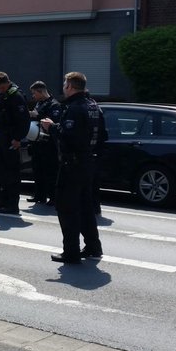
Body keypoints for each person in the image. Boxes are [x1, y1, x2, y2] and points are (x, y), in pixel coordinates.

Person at [41, 72, 106, 264]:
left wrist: (51, 127)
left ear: (70, 86)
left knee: (67, 208)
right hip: (88, 163)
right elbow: (103, 136)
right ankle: (93, 246)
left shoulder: (75, 108)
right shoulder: (94, 106)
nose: (63, 87)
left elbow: (69, 136)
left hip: (73, 164)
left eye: (64, 84)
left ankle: (71, 251)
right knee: (85, 207)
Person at [0, 71, 28, 215]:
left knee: (12, 174)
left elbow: (23, 120)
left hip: (11, 139)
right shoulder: (3, 95)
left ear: (6, 83)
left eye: (1, 88)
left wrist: (18, 138)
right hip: (1, 138)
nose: (0, 91)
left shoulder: (16, 96)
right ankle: (3, 200)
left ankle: (13, 204)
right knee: (2, 172)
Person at [28, 81, 60, 206]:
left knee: (50, 171)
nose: (33, 96)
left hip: (49, 144)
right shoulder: (39, 103)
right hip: (37, 142)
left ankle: (53, 197)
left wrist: (38, 115)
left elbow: (54, 121)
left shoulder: (54, 105)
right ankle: (39, 195)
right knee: (37, 169)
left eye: (34, 93)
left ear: (41, 92)